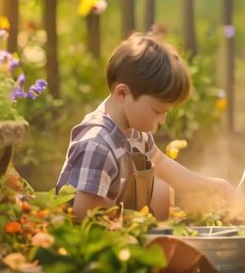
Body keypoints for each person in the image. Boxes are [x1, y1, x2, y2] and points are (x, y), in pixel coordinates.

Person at [56, 33, 234, 219]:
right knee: (159, 193)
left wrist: (212, 185)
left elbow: (162, 164)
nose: (162, 120)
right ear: (123, 94)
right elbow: (85, 218)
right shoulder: (97, 146)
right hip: (90, 237)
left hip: (122, 228)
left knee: (161, 191)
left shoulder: (135, 132)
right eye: (158, 111)